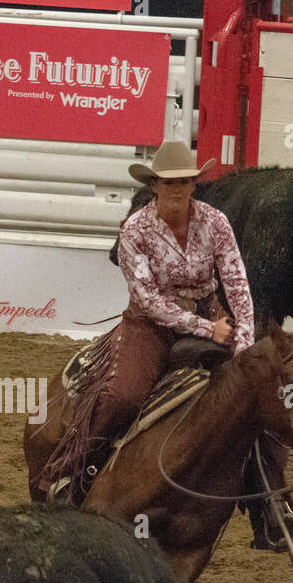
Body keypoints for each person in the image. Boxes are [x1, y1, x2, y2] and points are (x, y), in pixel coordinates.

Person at [38, 140, 254, 499]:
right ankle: (74, 471)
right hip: (150, 325)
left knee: (256, 387)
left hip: (209, 311)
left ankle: (272, 501)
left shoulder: (216, 222)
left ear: (194, 184)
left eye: (184, 182)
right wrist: (206, 329)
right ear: (153, 185)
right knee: (124, 395)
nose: (177, 189)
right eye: (169, 183)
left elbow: (236, 281)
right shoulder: (136, 231)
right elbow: (149, 299)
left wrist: (244, 338)